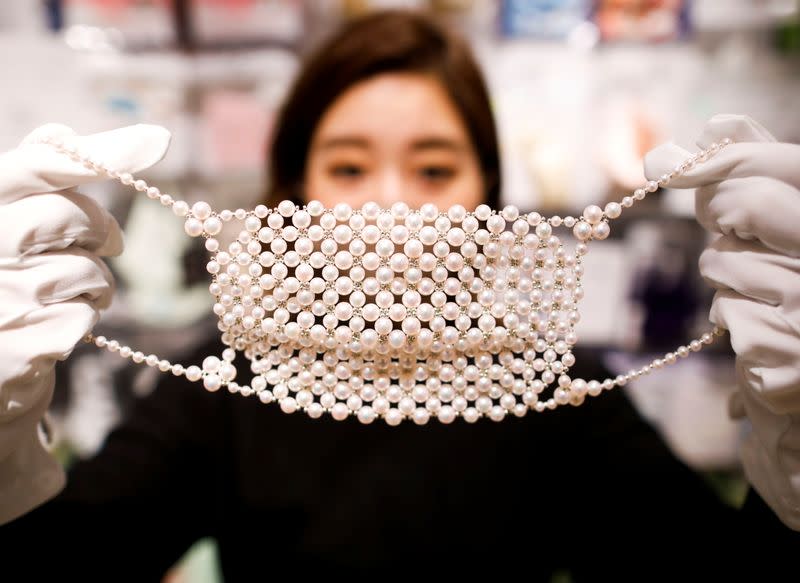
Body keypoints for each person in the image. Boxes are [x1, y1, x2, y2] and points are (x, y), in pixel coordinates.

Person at [1, 9, 798, 580]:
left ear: (484, 191)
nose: (397, 214)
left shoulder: (556, 389)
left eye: (434, 167)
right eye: (348, 167)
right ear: (295, 190)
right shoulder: (227, 381)